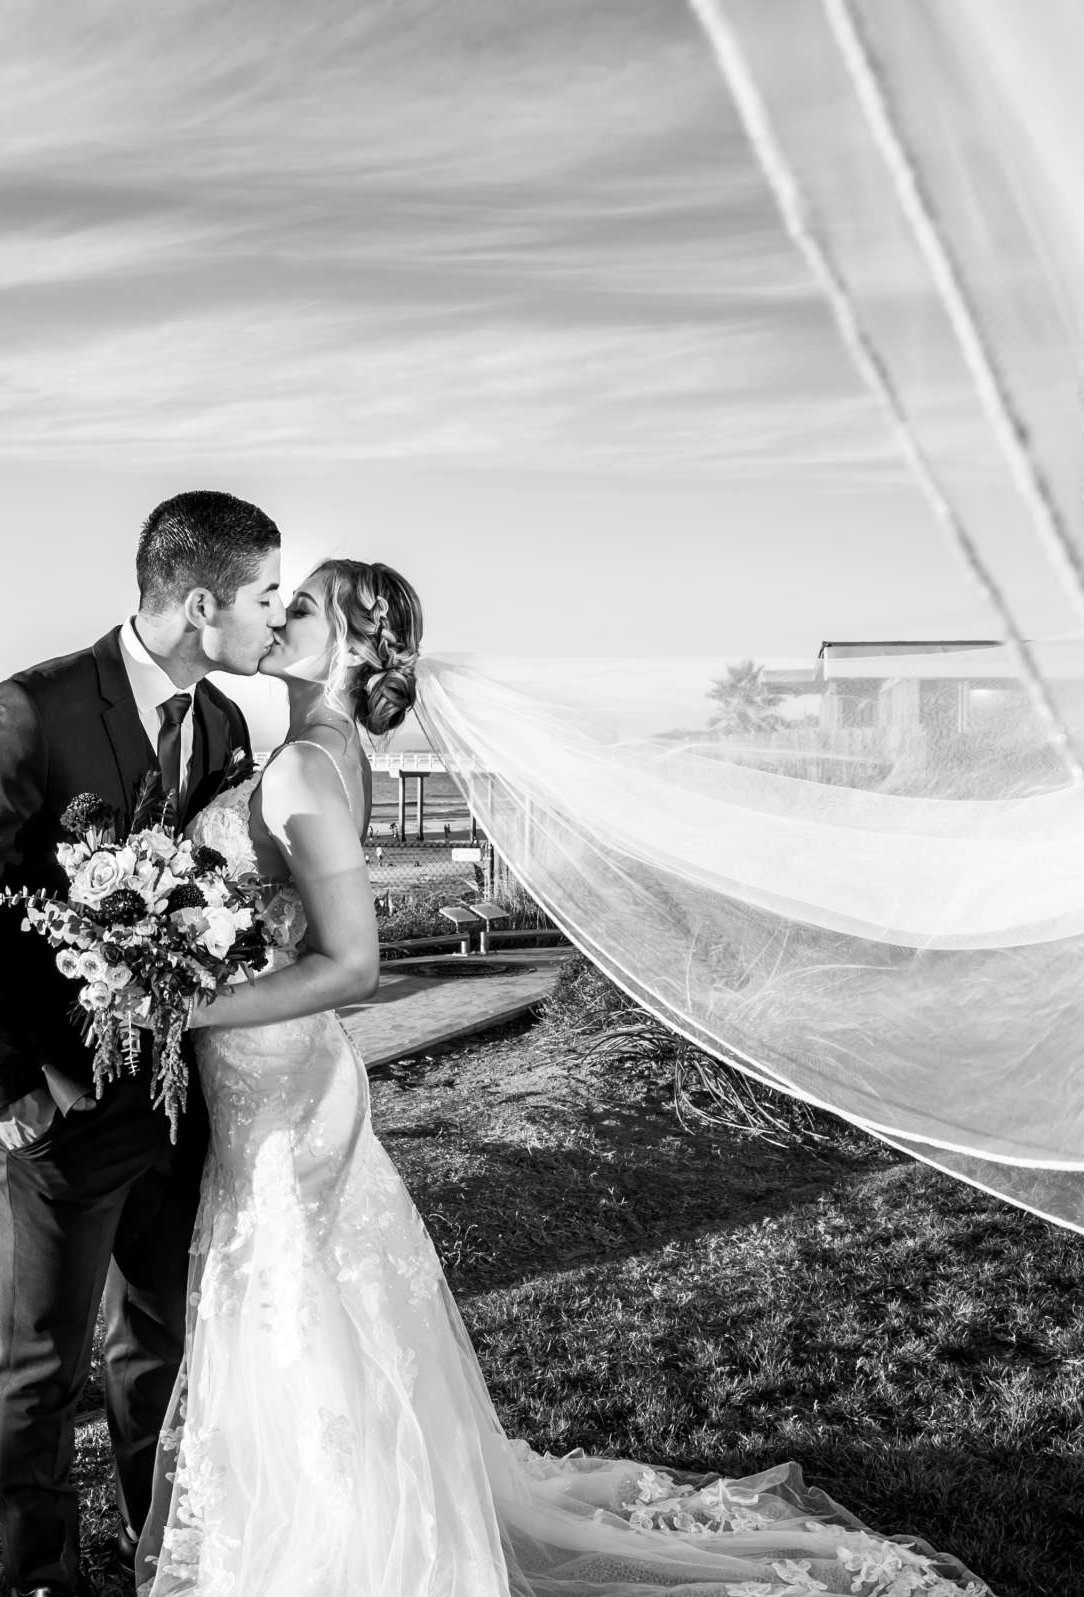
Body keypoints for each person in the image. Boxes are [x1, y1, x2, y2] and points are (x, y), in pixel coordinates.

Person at [137, 558, 989, 1596]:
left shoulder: (308, 764)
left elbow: (353, 965)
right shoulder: (325, 752)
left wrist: (182, 1004)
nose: (280, 620)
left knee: (295, 1297)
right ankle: (314, 1520)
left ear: (355, 645)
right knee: (305, 1300)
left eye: (300, 606)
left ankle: (344, 1549)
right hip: (276, 1079)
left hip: (277, 1077)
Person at [0, 490, 285, 1597]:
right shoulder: (30, 710)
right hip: (58, 1103)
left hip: (177, 1104)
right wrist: (3, 1090)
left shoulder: (219, 725)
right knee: (41, 1364)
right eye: (266, 595)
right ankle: (43, 1578)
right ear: (200, 600)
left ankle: (157, 1552)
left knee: (157, 1349)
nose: (277, 617)